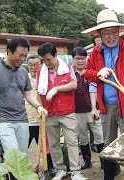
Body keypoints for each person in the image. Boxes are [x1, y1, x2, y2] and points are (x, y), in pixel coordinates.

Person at [82, 9, 124, 180]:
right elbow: (86, 73)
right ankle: (110, 173)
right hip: (106, 106)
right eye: (106, 32)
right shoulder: (96, 52)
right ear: (100, 34)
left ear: (119, 31)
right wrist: (97, 73)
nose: (111, 36)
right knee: (109, 143)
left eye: (113, 32)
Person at [0, 38, 47, 155]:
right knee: (13, 153)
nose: (23, 59)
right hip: (2, 119)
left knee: (22, 155)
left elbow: (28, 94)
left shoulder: (23, 72)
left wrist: (39, 107)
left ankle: (12, 173)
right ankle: (10, 173)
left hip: (22, 119)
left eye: (25, 55)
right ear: (9, 51)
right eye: (20, 55)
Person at [36, 42, 87, 180]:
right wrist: (40, 108)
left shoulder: (68, 67)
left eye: (48, 59)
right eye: (43, 60)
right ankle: (60, 169)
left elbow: (74, 84)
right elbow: (38, 93)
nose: (46, 63)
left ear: (55, 55)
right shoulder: (40, 72)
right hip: (49, 112)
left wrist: (56, 88)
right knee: (53, 144)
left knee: (72, 142)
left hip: (67, 111)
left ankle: (76, 172)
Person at [71, 47, 104, 170]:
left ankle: (103, 161)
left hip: (93, 110)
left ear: (87, 59)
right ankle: (87, 161)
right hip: (77, 112)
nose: (80, 61)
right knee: (83, 137)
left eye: (83, 58)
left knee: (99, 136)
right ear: (73, 59)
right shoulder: (70, 74)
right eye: (77, 58)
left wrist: (98, 108)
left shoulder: (91, 73)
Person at [25, 54, 54, 172]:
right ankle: (20, 170)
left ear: (41, 65)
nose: (34, 67)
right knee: (22, 147)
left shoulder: (45, 78)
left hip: (42, 119)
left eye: (37, 64)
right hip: (26, 119)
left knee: (45, 146)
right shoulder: (23, 78)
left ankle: (50, 168)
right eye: (30, 65)